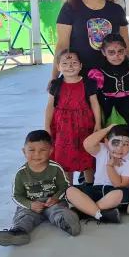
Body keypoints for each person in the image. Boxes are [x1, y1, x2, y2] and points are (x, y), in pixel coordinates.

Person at [0, 131, 80, 247]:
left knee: (59, 212)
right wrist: (30, 204)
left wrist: (55, 198)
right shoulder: (21, 173)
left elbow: (65, 186)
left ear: (50, 151)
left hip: (52, 203)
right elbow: (16, 196)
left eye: (42, 150)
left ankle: (69, 224)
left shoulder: (55, 168)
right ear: (24, 151)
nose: (37, 154)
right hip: (31, 206)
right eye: (31, 150)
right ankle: (18, 233)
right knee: (24, 216)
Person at [45, 49, 102, 184]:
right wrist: (47, 126)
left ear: (81, 66)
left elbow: (95, 104)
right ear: (58, 67)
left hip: (85, 126)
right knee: (64, 157)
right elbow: (50, 106)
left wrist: (98, 124)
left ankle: (89, 187)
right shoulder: (56, 85)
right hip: (62, 128)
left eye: (74, 63)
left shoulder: (88, 83)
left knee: (87, 155)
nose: (70, 66)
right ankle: (68, 188)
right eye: (64, 63)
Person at [65, 125, 129, 224]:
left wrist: (110, 166)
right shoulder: (103, 150)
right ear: (106, 142)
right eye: (115, 143)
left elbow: (120, 185)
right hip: (96, 189)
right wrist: (108, 129)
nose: (119, 148)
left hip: (113, 192)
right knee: (70, 190)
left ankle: (84, 211)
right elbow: (87, 144)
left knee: (119, 193)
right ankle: (100, 214)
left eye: (125, 144)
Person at [88, 33, 129, 150]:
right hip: (109, 109)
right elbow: (94, 98)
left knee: (127, 136)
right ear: (104, 52)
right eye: (111, 52)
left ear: (125, 51)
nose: (117, 56)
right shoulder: (97, 72)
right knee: (112, 138)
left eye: (120, 51)